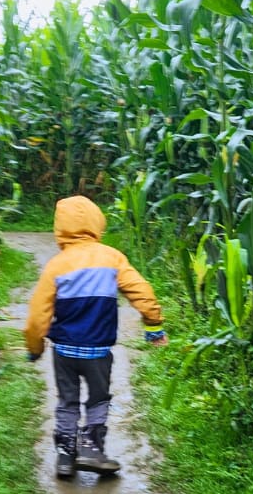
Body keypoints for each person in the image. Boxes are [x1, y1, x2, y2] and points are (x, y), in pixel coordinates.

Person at [24, 195, 166, 478]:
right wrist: (153, 325)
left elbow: (38, 313)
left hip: (64, 351)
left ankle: (65, 456)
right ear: (96, 222)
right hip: (98, 351)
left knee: (67, 400)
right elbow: (141, 291)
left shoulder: (57, 265)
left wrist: (35, 346)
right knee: (98, 399)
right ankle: (92, 448)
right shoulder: (112, 257)